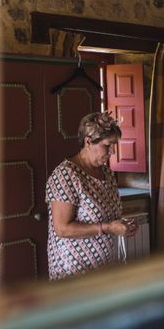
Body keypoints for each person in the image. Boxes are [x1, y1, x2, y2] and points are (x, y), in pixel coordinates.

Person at [46, 111, 137, 280]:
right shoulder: (66, 175)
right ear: (88, 142)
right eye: (107, 145)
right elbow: (62, 229)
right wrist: (109, 228)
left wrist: (123, 225)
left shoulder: (106, 173)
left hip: (103, 265)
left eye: (114, 146)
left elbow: (106, 216)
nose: (112, 152)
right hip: (73, 268)